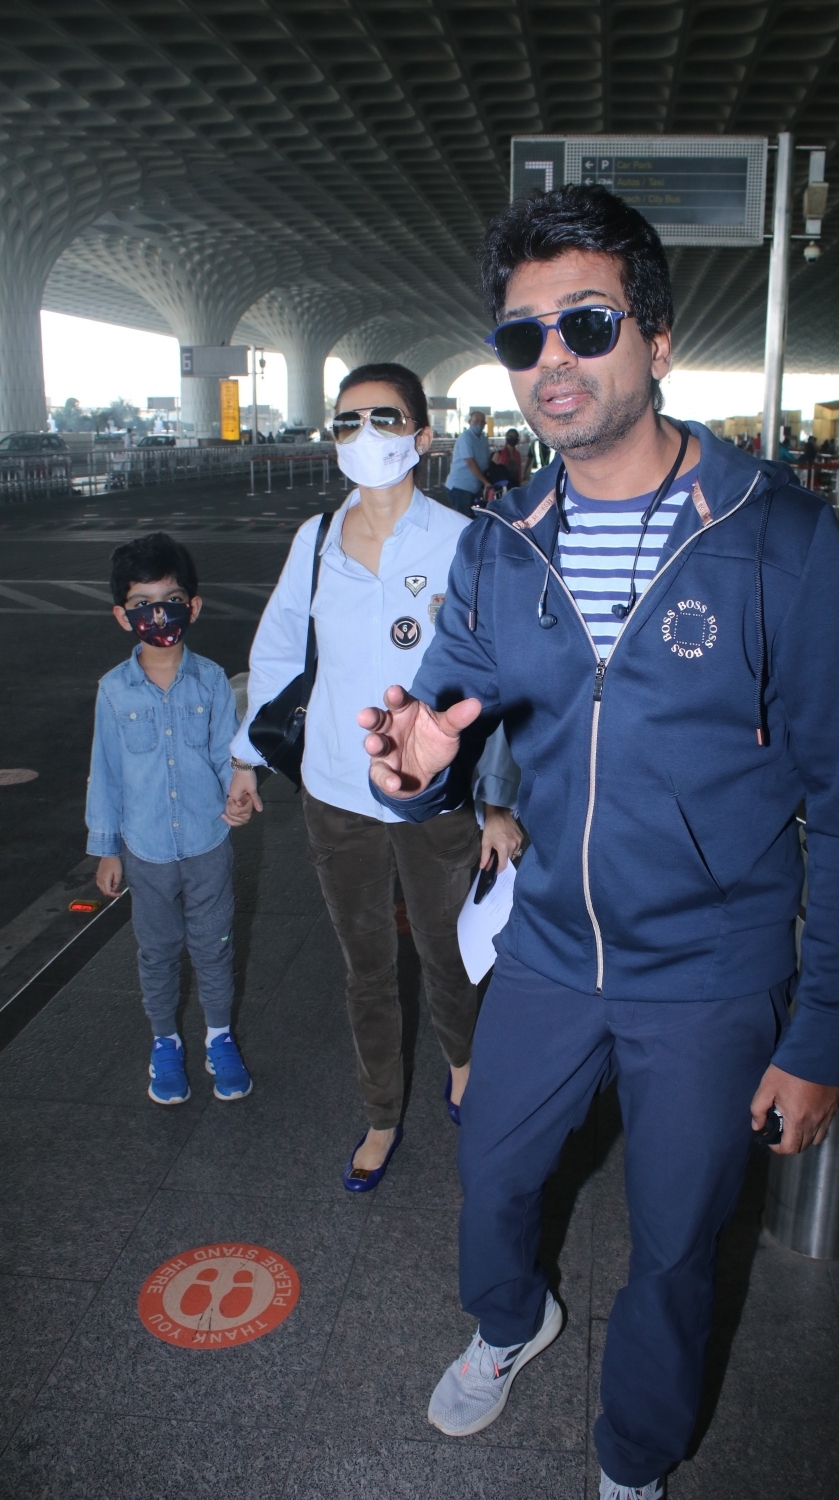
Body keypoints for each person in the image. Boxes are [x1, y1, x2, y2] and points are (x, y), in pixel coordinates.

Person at [358, 185, 839, 1500]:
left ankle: (636, 1455)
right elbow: (443, 729)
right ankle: (510, 1320)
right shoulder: (502, 545)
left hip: (711, 976)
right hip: (547, 946)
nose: (553, 361)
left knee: (674, 1242)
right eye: (522, 338)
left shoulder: (774, 539)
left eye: (585, 325)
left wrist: (815, 1037)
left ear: (656, 340)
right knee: (490, 1178)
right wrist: (420, 770)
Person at [226, 363, 522, 1194]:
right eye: (347, 422)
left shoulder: (466, 537)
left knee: (447, 950)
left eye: (384, 419)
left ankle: (464, 1069)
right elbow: (278, 653)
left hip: (437, 795)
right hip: (335, 793)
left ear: (423, 438)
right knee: (364, 966)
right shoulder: (316, 538)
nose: (363, 436)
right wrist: (248, 757)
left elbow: (498, 678)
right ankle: (381, 1114)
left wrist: (497, 800)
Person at [87, 533, 254, 1106]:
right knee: (156, 952)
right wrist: (107, 848)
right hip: (146, 852)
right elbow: (105, 773)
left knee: (214, 945)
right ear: (121, 615)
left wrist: (237, 794)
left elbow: (222, 756)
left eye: (172, 599)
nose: (158, 614)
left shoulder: (211, 681)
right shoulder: (112, 691)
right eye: (142, 603)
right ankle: (164, 1042)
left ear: (194, 606)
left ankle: (219, 1036)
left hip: (208, 843)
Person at [445, 409, 490, 515]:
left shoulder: (483, 439)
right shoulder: (466, 437)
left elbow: (486, 460)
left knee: (473, 519)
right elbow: (470, 462)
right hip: (460, 487)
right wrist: (486, 482)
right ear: (470, 422)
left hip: (475, 487)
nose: (478, 424)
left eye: (481, 422)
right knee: (463, 520)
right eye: (476, 421)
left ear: (485, 424)